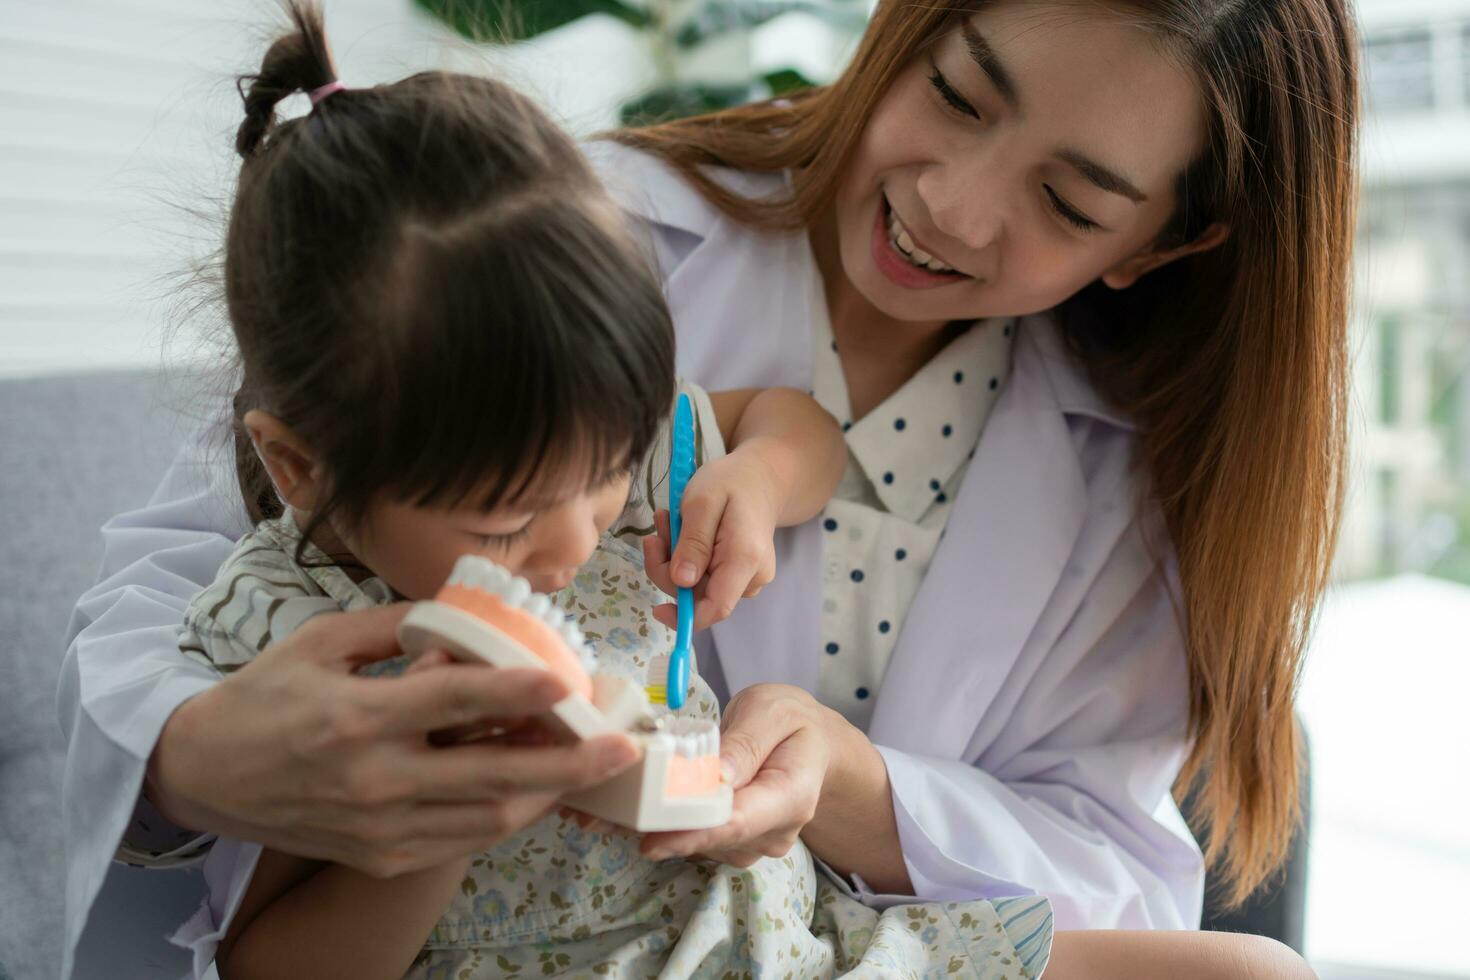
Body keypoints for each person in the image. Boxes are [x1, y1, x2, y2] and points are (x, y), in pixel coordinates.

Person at [60, 0, 1356, 975]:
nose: (950, 208)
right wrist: (203, 756)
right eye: (957, 96)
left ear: (1166, 243)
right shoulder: (526, 246)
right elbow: (170, 611)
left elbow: (1123, 881)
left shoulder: (1129, 476)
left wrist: (852, 791)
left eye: (1069, 203)